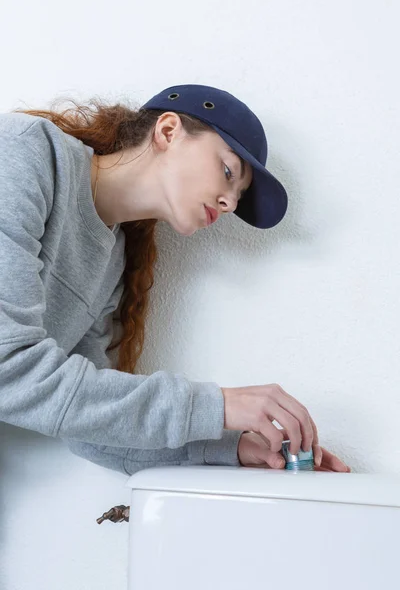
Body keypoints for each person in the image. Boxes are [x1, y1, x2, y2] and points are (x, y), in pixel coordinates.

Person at [0, 84, 350, 476]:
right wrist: (216, 405)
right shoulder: (24, 153)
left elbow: (90, 427)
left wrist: (236, 448)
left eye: (238, 195)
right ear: (168, 131)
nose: (230, 202)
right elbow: (7, 364)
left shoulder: (111, 263)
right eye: (227, 171)